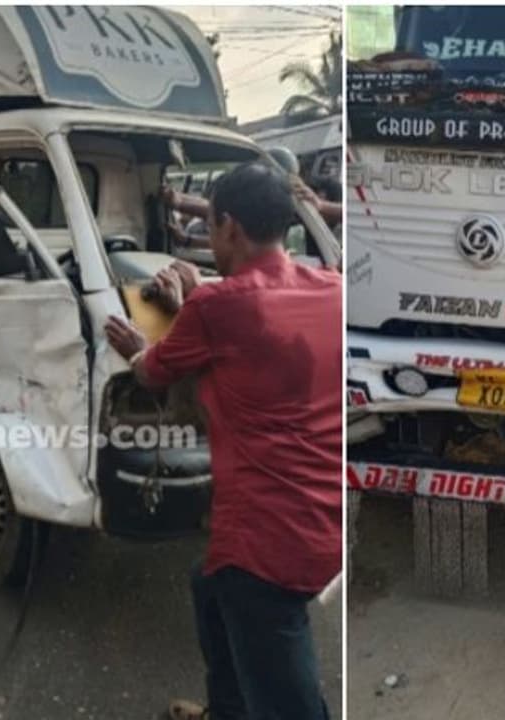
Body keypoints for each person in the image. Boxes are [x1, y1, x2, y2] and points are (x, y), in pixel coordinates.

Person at [104, 163, 341, 720]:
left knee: (286, 699)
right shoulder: (333, 289)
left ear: (229, 226)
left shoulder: (216, 307)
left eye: (210, 225)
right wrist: (193, 305)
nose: (209, 238)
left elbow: (151, 373)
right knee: (207, 585)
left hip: (264, 542)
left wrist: (139, 345)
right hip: (324, 518)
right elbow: (258, 350)